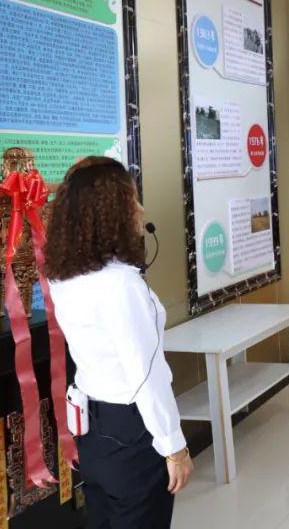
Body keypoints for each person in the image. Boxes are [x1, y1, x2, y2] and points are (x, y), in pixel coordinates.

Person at [44, 157, 192, 528]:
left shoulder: (64, 276)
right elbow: (146, 375)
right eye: (132, 200)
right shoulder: (120, 285)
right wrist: (174, 446)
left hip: (94, 432)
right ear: (108, 213)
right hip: (133, 432)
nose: (141, 209)